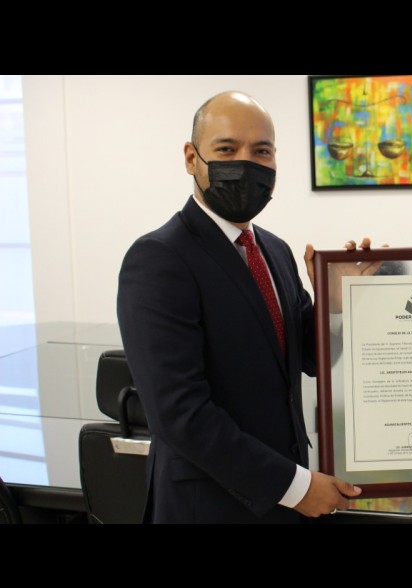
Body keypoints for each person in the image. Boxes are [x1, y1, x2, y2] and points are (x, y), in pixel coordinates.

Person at [117, 91, 380, 523]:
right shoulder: (159, 259)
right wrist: (296, 487)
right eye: (226, 149)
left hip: (285, 500)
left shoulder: (274, 251)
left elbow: (308, 360)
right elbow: (180, 415)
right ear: (191, 158)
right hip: (209, 507)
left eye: (261, 151)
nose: (246, 163)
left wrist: (334, 305)